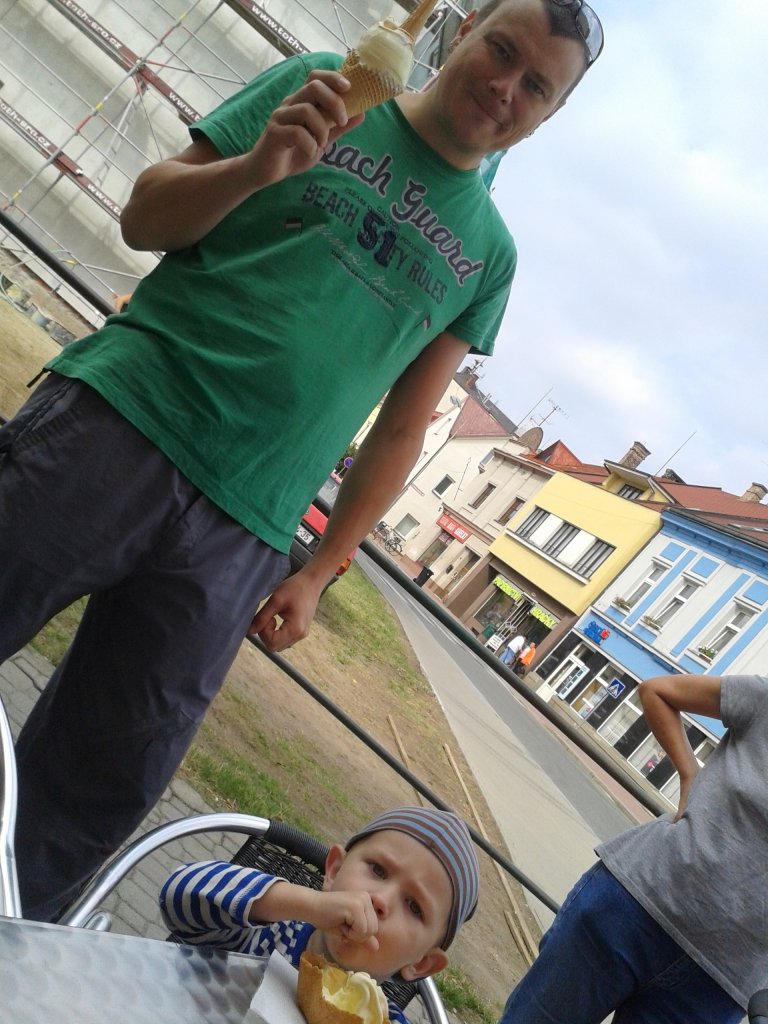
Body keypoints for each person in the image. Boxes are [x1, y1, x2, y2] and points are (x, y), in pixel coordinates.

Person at [0, 0, 603, 921]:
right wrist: (258, 166)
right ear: (463, 30)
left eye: (536, 86)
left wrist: (322, 567)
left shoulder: (489, 257)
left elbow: (403, 430)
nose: (503, 86)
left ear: (549, 116)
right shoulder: (320, 86)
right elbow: (144, 216)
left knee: (97, 785)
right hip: (122, 418)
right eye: (500, 49)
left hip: (247, 527)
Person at [499, 673, 766, 1024]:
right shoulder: (763, 698)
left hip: (719, 982)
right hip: (631, 908)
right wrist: (689, 774)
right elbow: (657, 691)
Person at [160, 806, 480, 1024]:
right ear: (334, 870)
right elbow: (179, 893)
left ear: (421, 963)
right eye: (378, 870)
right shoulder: (262, 935)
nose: (380, 900)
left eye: (414, 907)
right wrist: (306, 904)